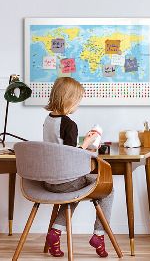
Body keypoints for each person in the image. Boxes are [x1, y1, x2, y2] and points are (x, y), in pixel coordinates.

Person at [43, 77, 113, 258]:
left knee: (73, 192)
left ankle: (55, 233)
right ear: (69, 100)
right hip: (66, 181)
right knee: (108, 189)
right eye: (78, 101)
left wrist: (83, 144)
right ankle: (99, 235)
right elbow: (71, 156)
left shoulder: (48, 120)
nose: (78, 105)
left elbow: (60, 149)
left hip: (49, 181)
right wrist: (88, 143)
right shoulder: (69, 124)